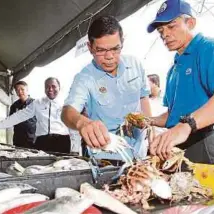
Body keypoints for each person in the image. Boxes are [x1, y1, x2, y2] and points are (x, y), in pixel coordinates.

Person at [147, 0, 214, 165]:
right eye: (161, 30)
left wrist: (187, 125)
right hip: (177, 143)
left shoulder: (210, 48)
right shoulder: (174, 68)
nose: (164, 34)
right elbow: (173, 114)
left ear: (190, 23)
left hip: (204, 139)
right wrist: (150, 120)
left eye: (171, 26)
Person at [61, 15, 152, 160]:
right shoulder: (84, 78)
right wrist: (82, 123)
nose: (109, 56)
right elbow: (67, 112)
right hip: (106, 158)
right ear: (90, 48)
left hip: (139, 153)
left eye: (115, 49)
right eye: (101, 50)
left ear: (122, 42)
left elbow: (143, 97)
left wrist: (149, 131)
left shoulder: (135, 65)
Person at [0, 77, 70, 153]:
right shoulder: (37, 103)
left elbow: (74, 127)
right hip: (43, 142)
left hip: (62, 141)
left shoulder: (68, 103)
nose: (50, 89)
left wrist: (75, 147)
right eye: (47, 87)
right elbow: (19, 116)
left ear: (59, 87)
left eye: (53, 86)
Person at [9, 81, 37, 148]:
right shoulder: (14, 106)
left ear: (27, 90)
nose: (20, 92)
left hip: (33, 140)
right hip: (18, 140)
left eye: (22, 89)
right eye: (17, 90)